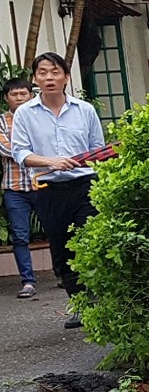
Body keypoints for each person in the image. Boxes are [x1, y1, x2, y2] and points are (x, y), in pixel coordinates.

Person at [10, 53, 103, 328]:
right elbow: (20, 153)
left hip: (85, 185)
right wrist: (50, 161)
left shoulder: (85, 110)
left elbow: (97, 149)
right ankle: (81, 306)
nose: (49, 78)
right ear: (35, 78)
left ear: (66, 77)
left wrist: (87, 160)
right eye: (43, 72)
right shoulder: (25, 113)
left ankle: (102, 301)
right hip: (48, 189)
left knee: (91, 242)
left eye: (55, 72)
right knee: (62, 250)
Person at [0, 77, 39, 299]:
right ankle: (28, 281)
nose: (19, 98)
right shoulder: (1, 121)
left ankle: (64, 275)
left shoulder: (40, 117)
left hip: (43, 182)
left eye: (23, 93)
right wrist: (33, 153)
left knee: (57, 230)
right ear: (6, 98)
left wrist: (25, 151)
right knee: (20, 236)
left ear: (30, 95)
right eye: (14, 94)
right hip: (14, 187)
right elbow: (5, 149)